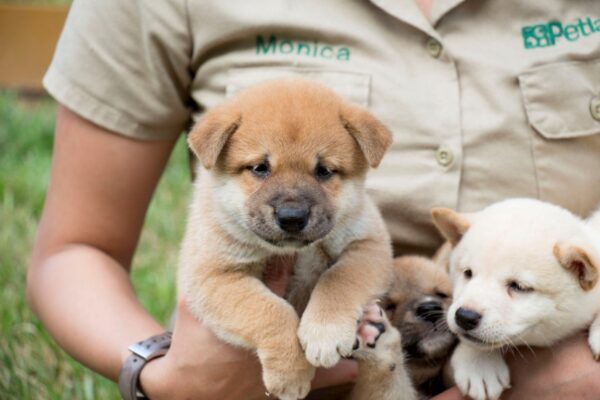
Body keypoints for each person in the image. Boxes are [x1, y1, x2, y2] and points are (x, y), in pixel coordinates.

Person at [27, 0, 600, 399]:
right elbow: (77, 249)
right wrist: (160, 372)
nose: (295, 205)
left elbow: (363, 249)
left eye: (326, 172)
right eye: (259, 170)